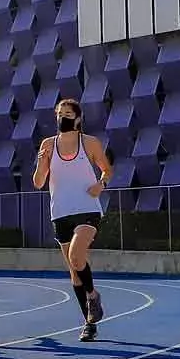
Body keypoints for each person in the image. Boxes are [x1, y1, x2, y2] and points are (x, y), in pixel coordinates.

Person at [34, 97, 111, 341]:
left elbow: (107, 169)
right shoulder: (48, 144)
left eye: (67, 113)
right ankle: (90, 323)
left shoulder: (89, 143)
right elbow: (38, 183)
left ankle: (92, 296)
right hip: (60, 212)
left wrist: (101, 184)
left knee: (76, 257)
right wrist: (41, 160)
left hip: (87, 208)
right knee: (74, 272)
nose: (62, 117)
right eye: (59, 113)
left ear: (77, 118)